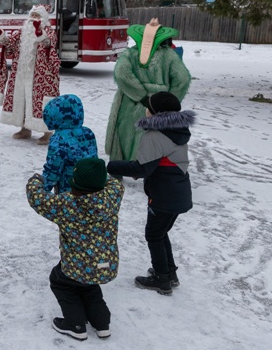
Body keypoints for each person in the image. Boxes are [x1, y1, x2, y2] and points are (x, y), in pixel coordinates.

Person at [107, 91, 195, 295]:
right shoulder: (178, 131)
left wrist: (111, 166)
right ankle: (169, 272)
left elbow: (142, 168)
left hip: (164, 195)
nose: (145, 110)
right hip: (179, 191)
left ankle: (161, 279)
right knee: (161, 233)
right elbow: (159, 163)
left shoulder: (154, 136)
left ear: (155, 113)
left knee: (153, 235)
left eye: (148, 107)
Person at [26, 157, 123, 341]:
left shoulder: (67, 205)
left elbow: (38, 199)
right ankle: (102, 324)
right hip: (105, 265)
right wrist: (97, 174)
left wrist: (35, 180)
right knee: (88, 285)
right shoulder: (113, 195)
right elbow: (112, 181)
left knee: (60, 280)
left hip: (76, 266)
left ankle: (76, 325)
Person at [105, 18, 191, 162]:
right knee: (150, 135)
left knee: (124, 133)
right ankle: (145, 166)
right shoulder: (169, 55)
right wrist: (168, 101)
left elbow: (121, 73)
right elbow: (183, 79)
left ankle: (119, 166)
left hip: (128, 100)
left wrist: (140, 94)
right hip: (157, 106)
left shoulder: (130, 53)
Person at [0, 5, 61, 145]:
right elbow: (9, 45)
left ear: (43, 18)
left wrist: (39, 33)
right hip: (22, 74)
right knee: (22, 100)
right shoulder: (22, 32)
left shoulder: (48, 31)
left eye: (37, 16)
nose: (33, 18)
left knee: (42, 103)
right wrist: (0, 34)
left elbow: (49, 43)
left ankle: (47, 132)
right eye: (32, 15)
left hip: (42, 76)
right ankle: (25, 129)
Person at [41, 95, 98, 193]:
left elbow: (53, 169)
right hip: (92, 186)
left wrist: (41, 190)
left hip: (70, 191)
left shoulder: (59, 139)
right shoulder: (88, 133)